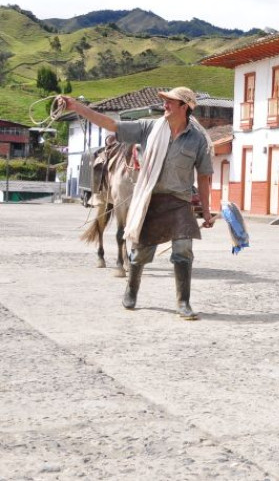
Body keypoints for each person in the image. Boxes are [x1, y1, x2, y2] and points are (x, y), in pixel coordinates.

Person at [58, 87, 215, 320]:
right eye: (165, 101)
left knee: (183, 250)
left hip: (179, 202)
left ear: (185, 107)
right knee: (140, 253)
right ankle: (131, 290)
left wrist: (207, 211)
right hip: (150, 201)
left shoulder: (198, 140)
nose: (164, 105)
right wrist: (77, 107)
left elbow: (203, 176)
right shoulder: (149, 128)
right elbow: (112, 125)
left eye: (170, 102)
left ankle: (183, 302)